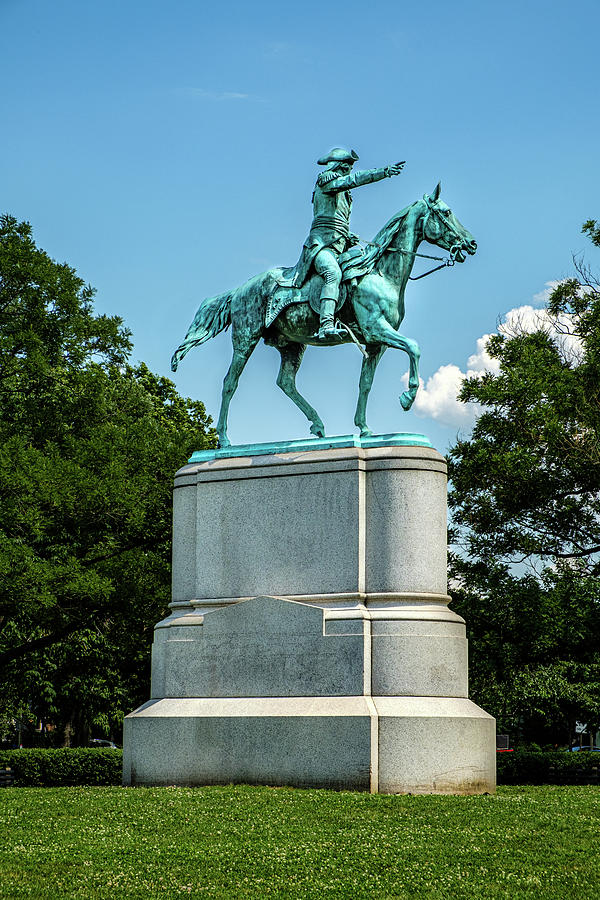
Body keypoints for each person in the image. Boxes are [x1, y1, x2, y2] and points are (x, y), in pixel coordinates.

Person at [292, 148, 405, 338]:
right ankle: (325, 324)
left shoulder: (342, 193)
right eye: (347, 167)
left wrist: (347, 235)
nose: (350, 171)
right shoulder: (326, 182)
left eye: (351, 167)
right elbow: (353, 181)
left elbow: (334, 220)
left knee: (362, 268)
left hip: (338, 246)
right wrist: (382, 172)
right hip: (320, 246)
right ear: (337, 166)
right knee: (332, 274)